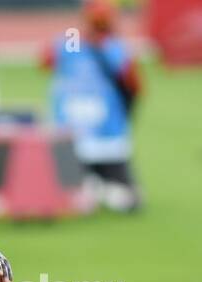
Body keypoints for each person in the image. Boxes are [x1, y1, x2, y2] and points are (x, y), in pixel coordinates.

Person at [42, 0, 143, 211]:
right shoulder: (116, 49)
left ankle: (88, 189)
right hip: (106, 133)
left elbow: (46, 61)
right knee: (127, 197)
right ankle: (97, 189)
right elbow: (134, 85)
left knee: (73, 186)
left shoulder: (67, 43)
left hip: (71, 134)